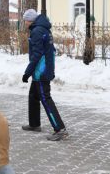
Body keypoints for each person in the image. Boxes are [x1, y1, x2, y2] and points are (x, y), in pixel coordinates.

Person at [21, 9, 68, 141]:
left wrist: (27, 73)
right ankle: (34, 124)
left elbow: (36, 55)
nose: (24, 23)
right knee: (33, 96)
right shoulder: (43, 29)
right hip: (43, 68)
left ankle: (60, 129)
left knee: (46, 99)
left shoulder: (37, 31)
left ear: (29, 20)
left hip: (41, 71)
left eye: (25, 20)